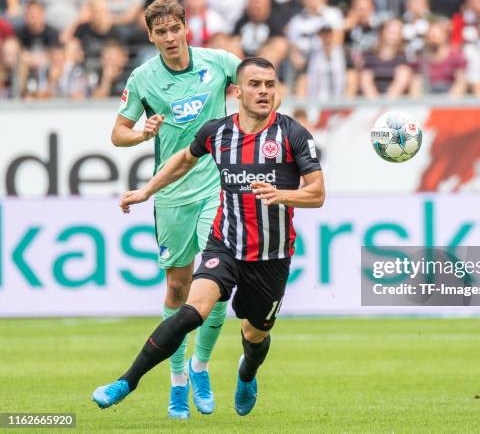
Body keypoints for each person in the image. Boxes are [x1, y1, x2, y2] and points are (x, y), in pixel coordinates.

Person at [92, 56, 325, 417]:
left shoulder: (292, 134)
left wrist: (283, 195)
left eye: (269, 85)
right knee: (191, 311)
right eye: (255, 84)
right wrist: (146, 191)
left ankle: (246, 373)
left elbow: (318, 193)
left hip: (271, 256)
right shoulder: (217, 132)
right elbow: (183, 160)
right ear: (237, 91)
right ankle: (126, 382)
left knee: (255, 334)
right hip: (226, 245)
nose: (263, 91)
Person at [109, 0, 242, 420]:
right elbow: (118, 134)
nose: (169, 38)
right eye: (160, 32)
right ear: (150, 36)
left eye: (174, 29)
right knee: (178, 288)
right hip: (171, 195)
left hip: (215, 186)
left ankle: (201, 367)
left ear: (188, 26)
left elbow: (259, 80)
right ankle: (178, 380)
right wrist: (143, 132)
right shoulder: (144, 79)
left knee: (219, 279)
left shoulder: (219, 62)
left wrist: (255, 97)